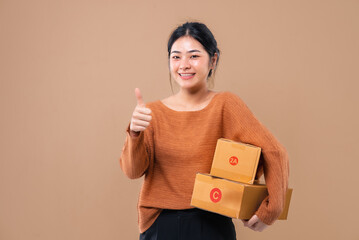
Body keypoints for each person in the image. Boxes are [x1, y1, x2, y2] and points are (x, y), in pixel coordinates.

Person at [119, 22, 289, 240]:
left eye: (194, 56)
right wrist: (134, 133)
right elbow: (133, 172)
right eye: (176, 56)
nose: (184, 65)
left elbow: (275, 152)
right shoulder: (151, 112)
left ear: (213, 60)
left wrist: (271, 210)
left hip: (211, 223)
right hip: (160, 225)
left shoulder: (226, 104)